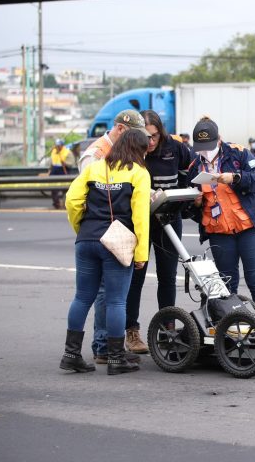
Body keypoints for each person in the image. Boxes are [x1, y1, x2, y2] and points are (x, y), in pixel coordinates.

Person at [60, 128, 151, 375]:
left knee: (82, 298)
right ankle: (115, 359)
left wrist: (82, 227)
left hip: (87, 239)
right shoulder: (139, 173)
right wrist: (141, 254)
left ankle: (71, 355)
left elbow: (72, 200)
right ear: (139, 150)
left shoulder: (95, 167)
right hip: (115, 243)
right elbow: (141, 217)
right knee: (115, 301)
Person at [187, 117, 255, 322]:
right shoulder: (194, 166)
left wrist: (235, 178)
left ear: (219, 139)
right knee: (225, 284)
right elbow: (191, 210)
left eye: (209, 146)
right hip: (220, 232)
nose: (205, 152)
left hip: (250, 226)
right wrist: (195, 204)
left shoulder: (238, 153)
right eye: (201, 148)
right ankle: (231, 330)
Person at [124, 110, 194, 353]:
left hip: (169, 220)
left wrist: (182, 203)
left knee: (167, 277)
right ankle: (132, 331)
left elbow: (190, 174)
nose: (150, 142)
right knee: (136, 277)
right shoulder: (132, 151)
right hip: (140, 223)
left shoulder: (176, 147)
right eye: (146, 137)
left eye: (153, 137)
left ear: (160, 132)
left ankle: (167, 330)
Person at [49, 138, 71, 209]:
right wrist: (50, 170)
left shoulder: (67, 152)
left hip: (63, 171)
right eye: (57, 146)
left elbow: (71, 163)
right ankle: (56, 203)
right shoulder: (53, 151)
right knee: (53, 188)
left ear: (62, 145)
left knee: (64, 188)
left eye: (59, 146)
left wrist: (65, 163)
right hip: (54, 172)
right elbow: (52, 162)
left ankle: (65, 203)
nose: (57, 147)